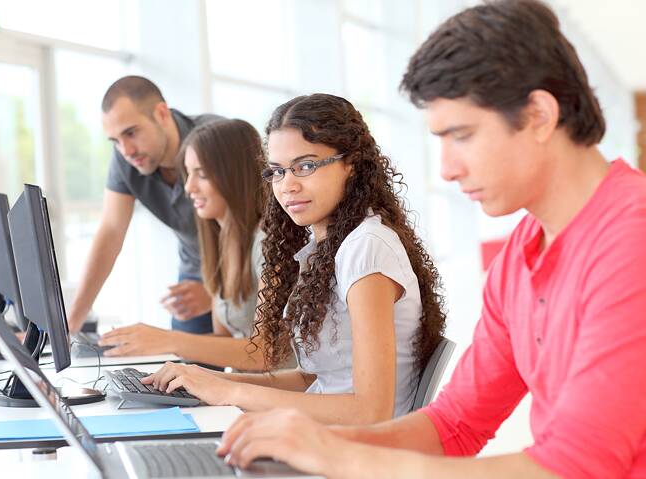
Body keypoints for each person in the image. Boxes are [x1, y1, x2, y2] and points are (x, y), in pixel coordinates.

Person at [216, 1, 646, 477]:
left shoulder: (632, 238)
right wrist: (310, 441)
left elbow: (577, 466)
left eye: (461, 135)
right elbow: (454, 426)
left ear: (539, 115)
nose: (447, 168)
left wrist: (339, 454)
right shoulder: (521, 253)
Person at [141, 93, 447, 425]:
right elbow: (311, 380)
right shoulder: (325, 249)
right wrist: (208, 382)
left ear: (352, 165)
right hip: (321, 437)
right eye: (277, 171)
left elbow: (370, 411)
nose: (287, 185)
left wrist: (231, 394)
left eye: (305, 166)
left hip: (353, 451)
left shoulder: (367, 248)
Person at [98, 118, 273, 370]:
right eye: (188, 174)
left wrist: (169, 341)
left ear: (234, 174)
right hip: (242, 390)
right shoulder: (220, 245)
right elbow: (224, 340)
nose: (188, 188)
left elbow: (263, 353)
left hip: (272, 397)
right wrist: (146, 347)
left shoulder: (267, 246)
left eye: (201, 174)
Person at [67, 75, 221, 337]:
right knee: (183, 369)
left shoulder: (216, 140)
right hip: (195, 273)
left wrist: (219, 294)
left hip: (246, 271)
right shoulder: (126, 158)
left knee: (247, 364)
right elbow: (111, 233)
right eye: (115, 140)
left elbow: (261, 238)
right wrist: (69, 325)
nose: (125, 150)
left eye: (131, 132)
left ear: (162, 113)